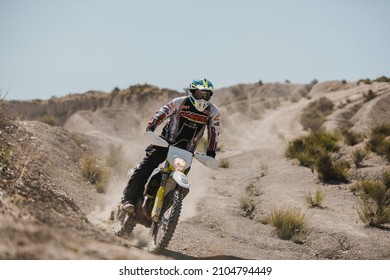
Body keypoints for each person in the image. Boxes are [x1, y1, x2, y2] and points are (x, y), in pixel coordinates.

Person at [121, 78, 221, 214]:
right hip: (165, 143)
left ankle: (166, 212)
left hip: (186, 151)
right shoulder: (179, 102)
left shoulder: (213, 112)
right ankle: (129, 199)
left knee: (179, 182)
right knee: (146, 166)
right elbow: (161, 113)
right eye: (200, 94)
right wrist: (150, 128)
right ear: (192, 92)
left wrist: (211, 154)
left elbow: (214, 133)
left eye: (206, 95)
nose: (203, 98)